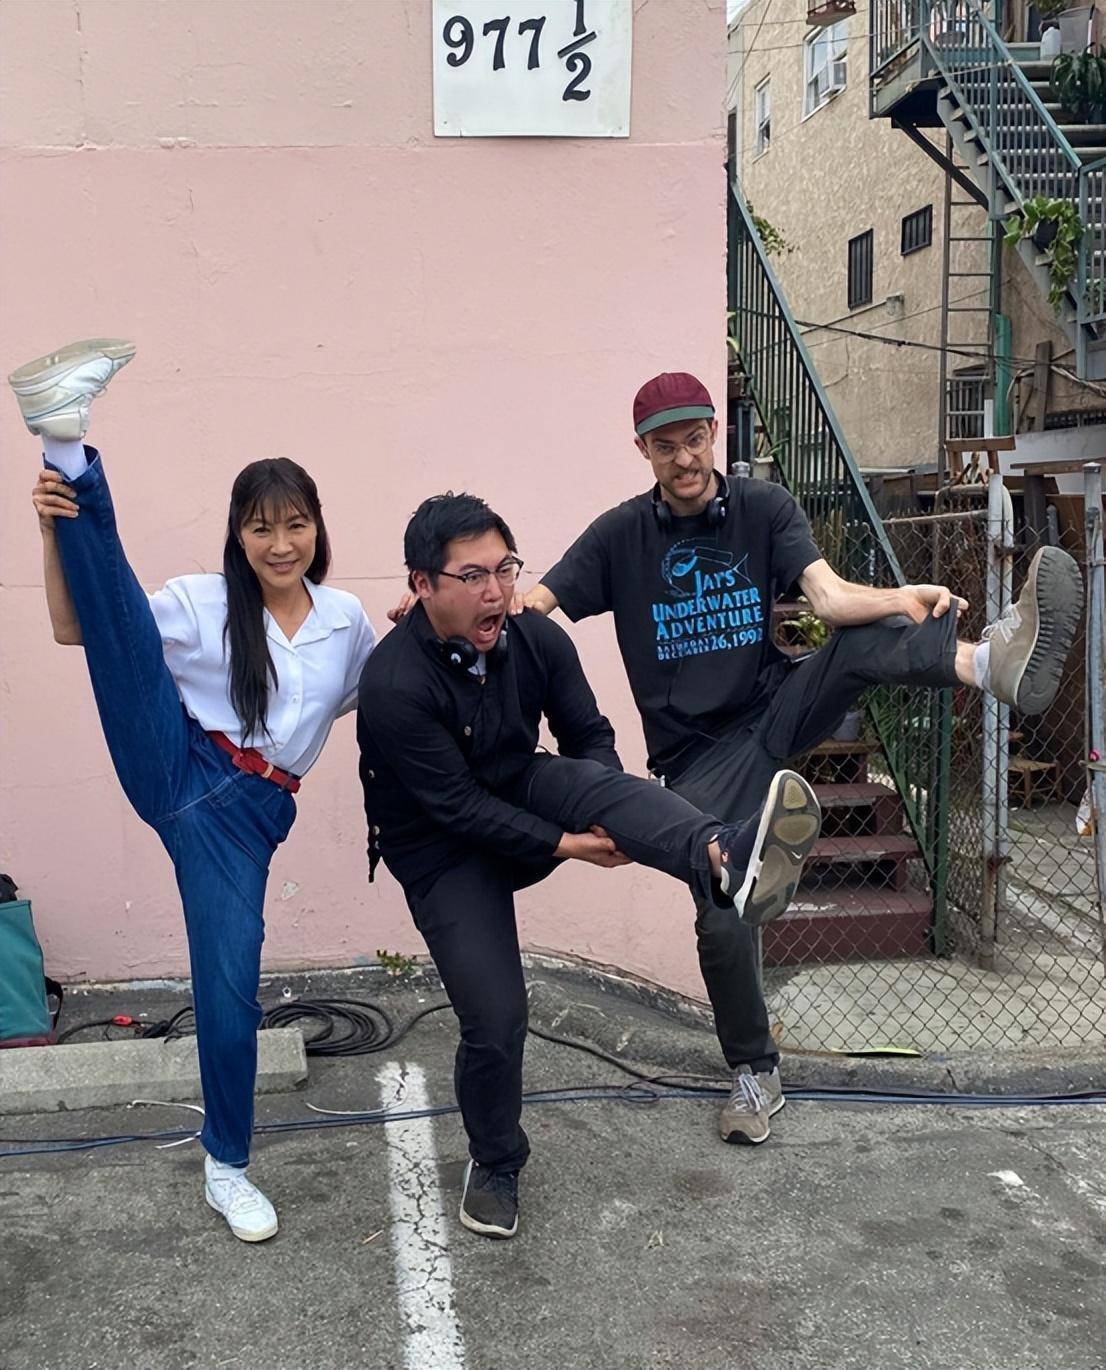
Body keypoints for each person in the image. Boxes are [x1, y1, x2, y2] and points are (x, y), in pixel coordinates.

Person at [522, 370, 1084, 1146]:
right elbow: (536, 607)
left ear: (714, 432)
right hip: (696, 762)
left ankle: (992, 664)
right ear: (642, 450)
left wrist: (899, 597)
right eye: (665, 445)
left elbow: (827, 599)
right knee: (723, 914)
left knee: (856, 642)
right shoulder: (621, 536)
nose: (684, 458)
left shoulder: (762, 507)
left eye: (694, 438)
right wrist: (457, 611)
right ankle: (755, 1074)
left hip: (775, 708)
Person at [357, 492, 823, 1240]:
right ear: (422, 585)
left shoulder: (535, 639)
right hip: (442, 849)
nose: (495, 592)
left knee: (597, 780)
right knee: (496, 1018)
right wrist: (568, 844)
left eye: (504, 569)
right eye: (471, 576)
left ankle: (725, 855)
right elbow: (458, 810)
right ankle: (496, 1162)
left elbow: (588, 735)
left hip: (519, 788)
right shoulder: (394, 684)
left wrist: (604, 808)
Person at [9, 339, 377, 1242]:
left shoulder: (346, 622)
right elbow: (81, 630)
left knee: (229, 988)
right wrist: (57, 534)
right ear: (238, 535)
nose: (280, 544)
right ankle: (64, 442)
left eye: (295, 525)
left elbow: (389, 698)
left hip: (247, 823)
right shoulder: (202, 600)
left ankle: (223, 1163)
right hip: (177, 762)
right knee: (127, 635)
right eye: (261, 528)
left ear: (318, 529)